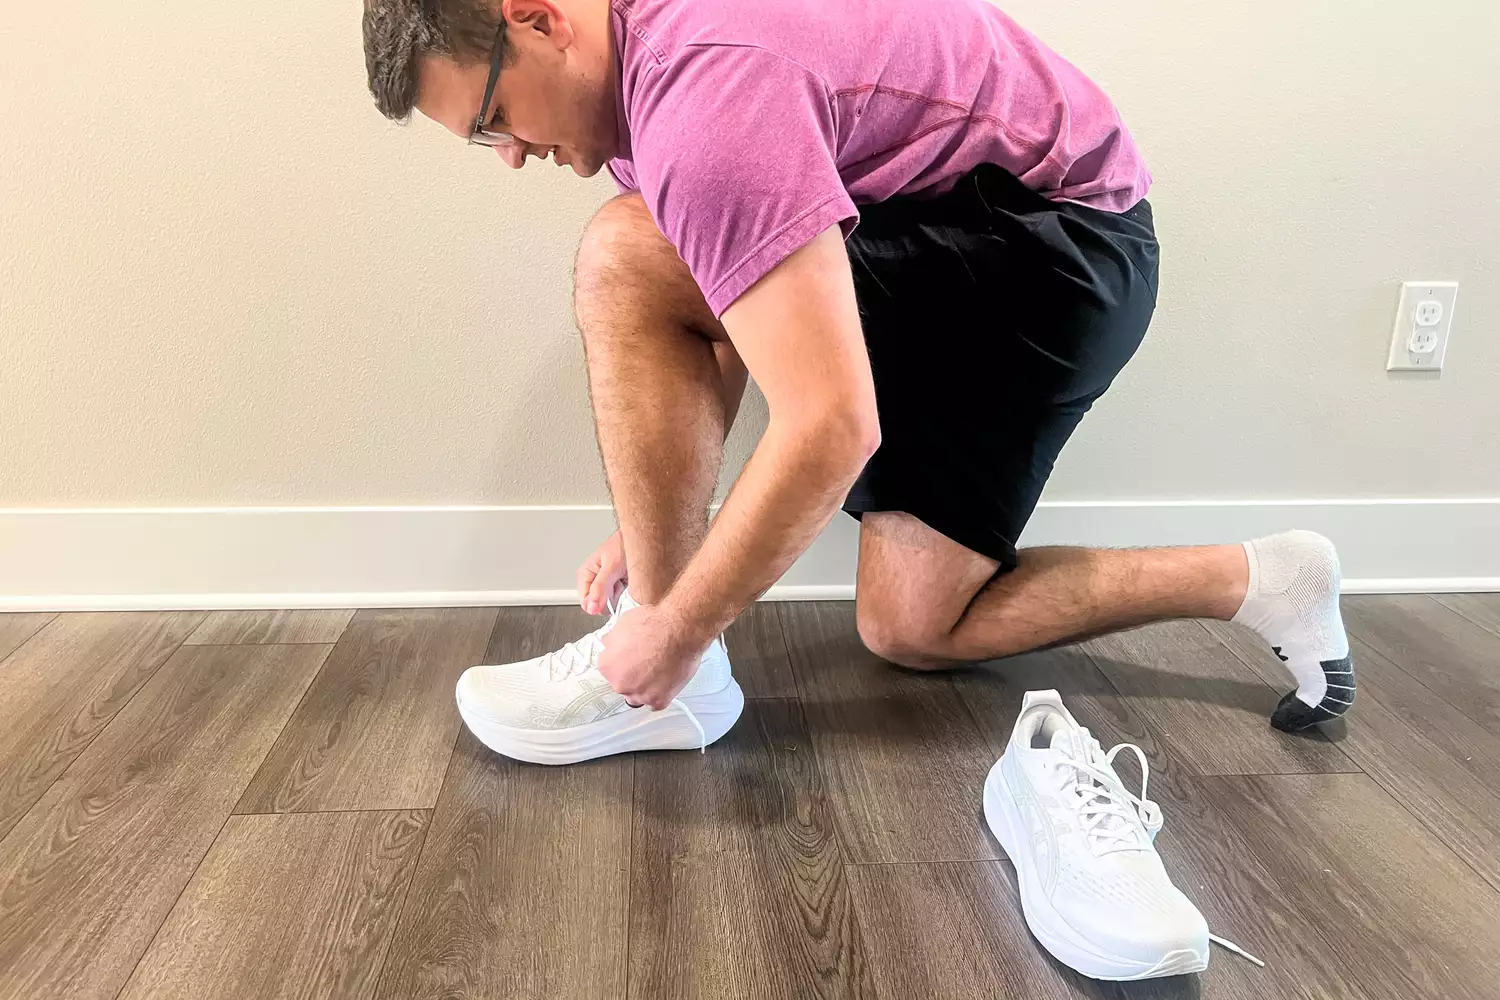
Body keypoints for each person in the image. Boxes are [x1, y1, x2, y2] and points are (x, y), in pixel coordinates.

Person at [362, 0, 1356, 765]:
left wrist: (676, 623)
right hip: (1016, 232)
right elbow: (739, 297)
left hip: (1056, 248)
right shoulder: (643, 70)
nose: (511, 156)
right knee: (914, 624)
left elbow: (832, 424)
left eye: (494, 117)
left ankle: (669, 684)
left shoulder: (702, 89)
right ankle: (1269, 578)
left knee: (625, 253)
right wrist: (666, 517)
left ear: (536, 16)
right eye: (483, 139)